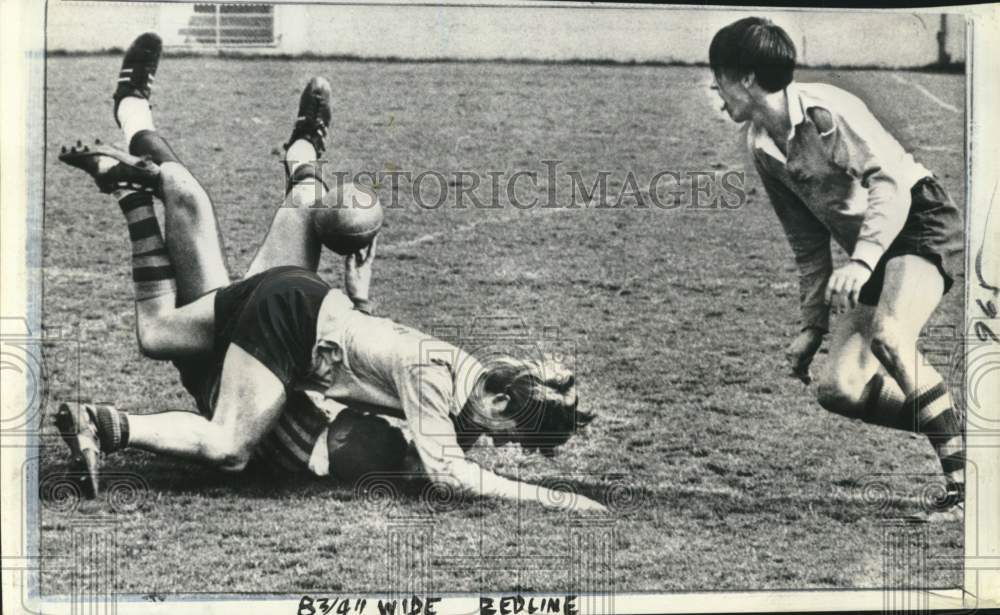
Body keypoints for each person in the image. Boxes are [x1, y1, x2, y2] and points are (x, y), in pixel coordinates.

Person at [56, 33, 603, 513]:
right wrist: (560, 498)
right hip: (290, 321)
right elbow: (448, 472)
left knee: (188, 199)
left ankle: (263, 140)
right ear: (503, 401)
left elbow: (379, 368)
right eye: (519, 440)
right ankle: (105, 424)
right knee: (226, 442)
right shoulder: (437, 384)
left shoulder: (462, 371)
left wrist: (359, 300)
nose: (507, 448)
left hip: (303, 301)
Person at [708, 18, 965, 522]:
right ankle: (967, 431)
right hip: (869, 246)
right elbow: (807, 243)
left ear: (744, 78)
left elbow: (890, 185)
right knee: (841, 389)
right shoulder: (761, 144)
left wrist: (865, 260)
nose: (716, 95)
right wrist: (812, 326)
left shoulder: (826, 113)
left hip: (918, 220)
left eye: (718, 79)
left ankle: (966, 487)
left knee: (892, 337)